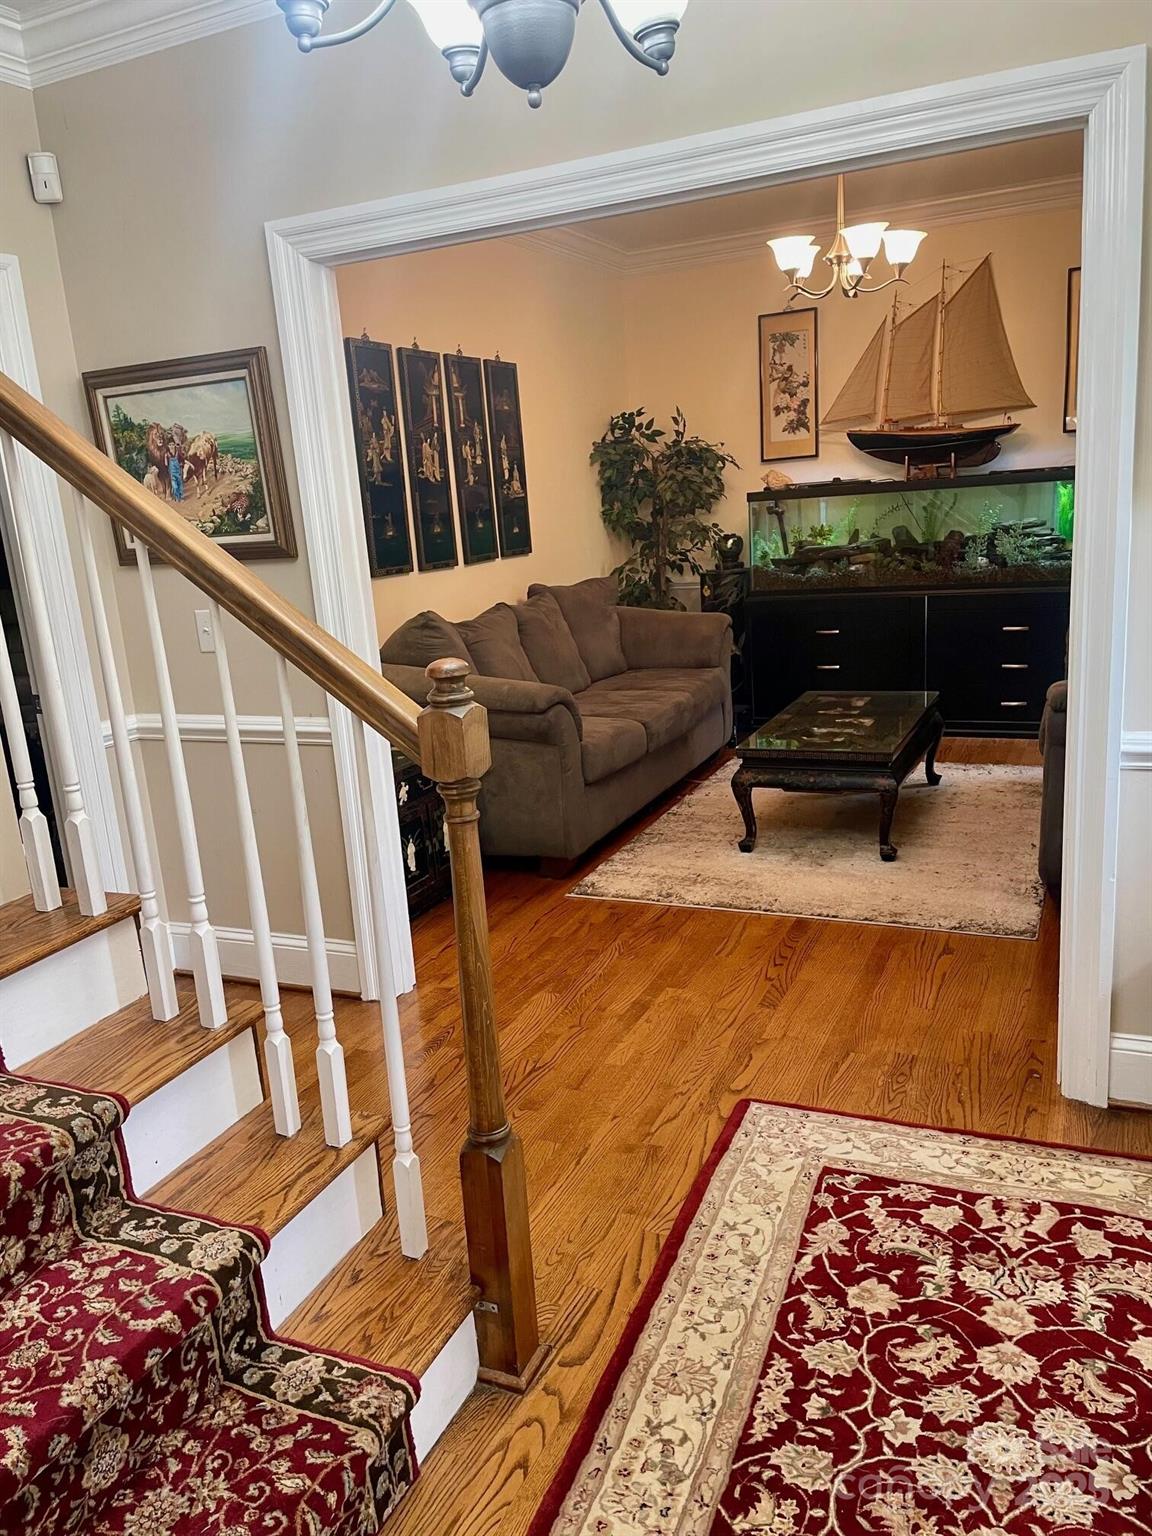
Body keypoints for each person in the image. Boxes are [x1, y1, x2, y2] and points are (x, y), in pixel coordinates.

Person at [167, 437, 184, 502]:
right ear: (168, 446)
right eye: (170, 445)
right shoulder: (167, 454)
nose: (171, 446)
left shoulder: (178, 453)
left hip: (178, 472)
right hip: (172, 473)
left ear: (175, 445)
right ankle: (177, 497)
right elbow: (166, 465)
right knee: (175, 486)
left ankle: (181, 497)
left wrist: (182, 464)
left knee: (180, 485)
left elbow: (183, 460)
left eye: (172, 445)